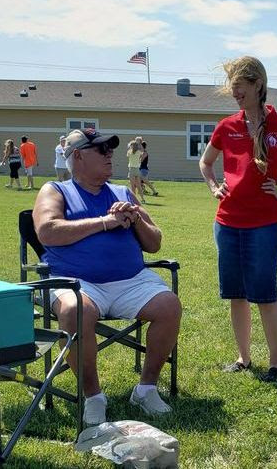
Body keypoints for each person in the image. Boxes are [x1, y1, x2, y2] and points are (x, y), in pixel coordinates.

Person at [33, 128, 182, 425]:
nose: (109, 154)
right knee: (77, 311)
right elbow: (47, 231)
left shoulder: (122, 193)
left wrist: (135, 218)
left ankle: (146, 389)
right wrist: (105, 222)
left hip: (130, 281)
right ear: (77, 156)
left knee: (169, 306)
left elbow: (154, 243)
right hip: (76, 282)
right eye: (101, 150)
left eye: (110, 149)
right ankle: (93, 396)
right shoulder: (56, 190)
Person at [198, 56, 277, 382]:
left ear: (258, 85)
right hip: (226, 223)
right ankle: (243, 358)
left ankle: (276, 364)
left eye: (239, 87)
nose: (235, 93)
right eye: (232, 88)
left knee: (265, 295)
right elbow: (205, 163)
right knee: (236, 295)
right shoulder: (227, 127)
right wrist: (213, 186)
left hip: (264, 227)